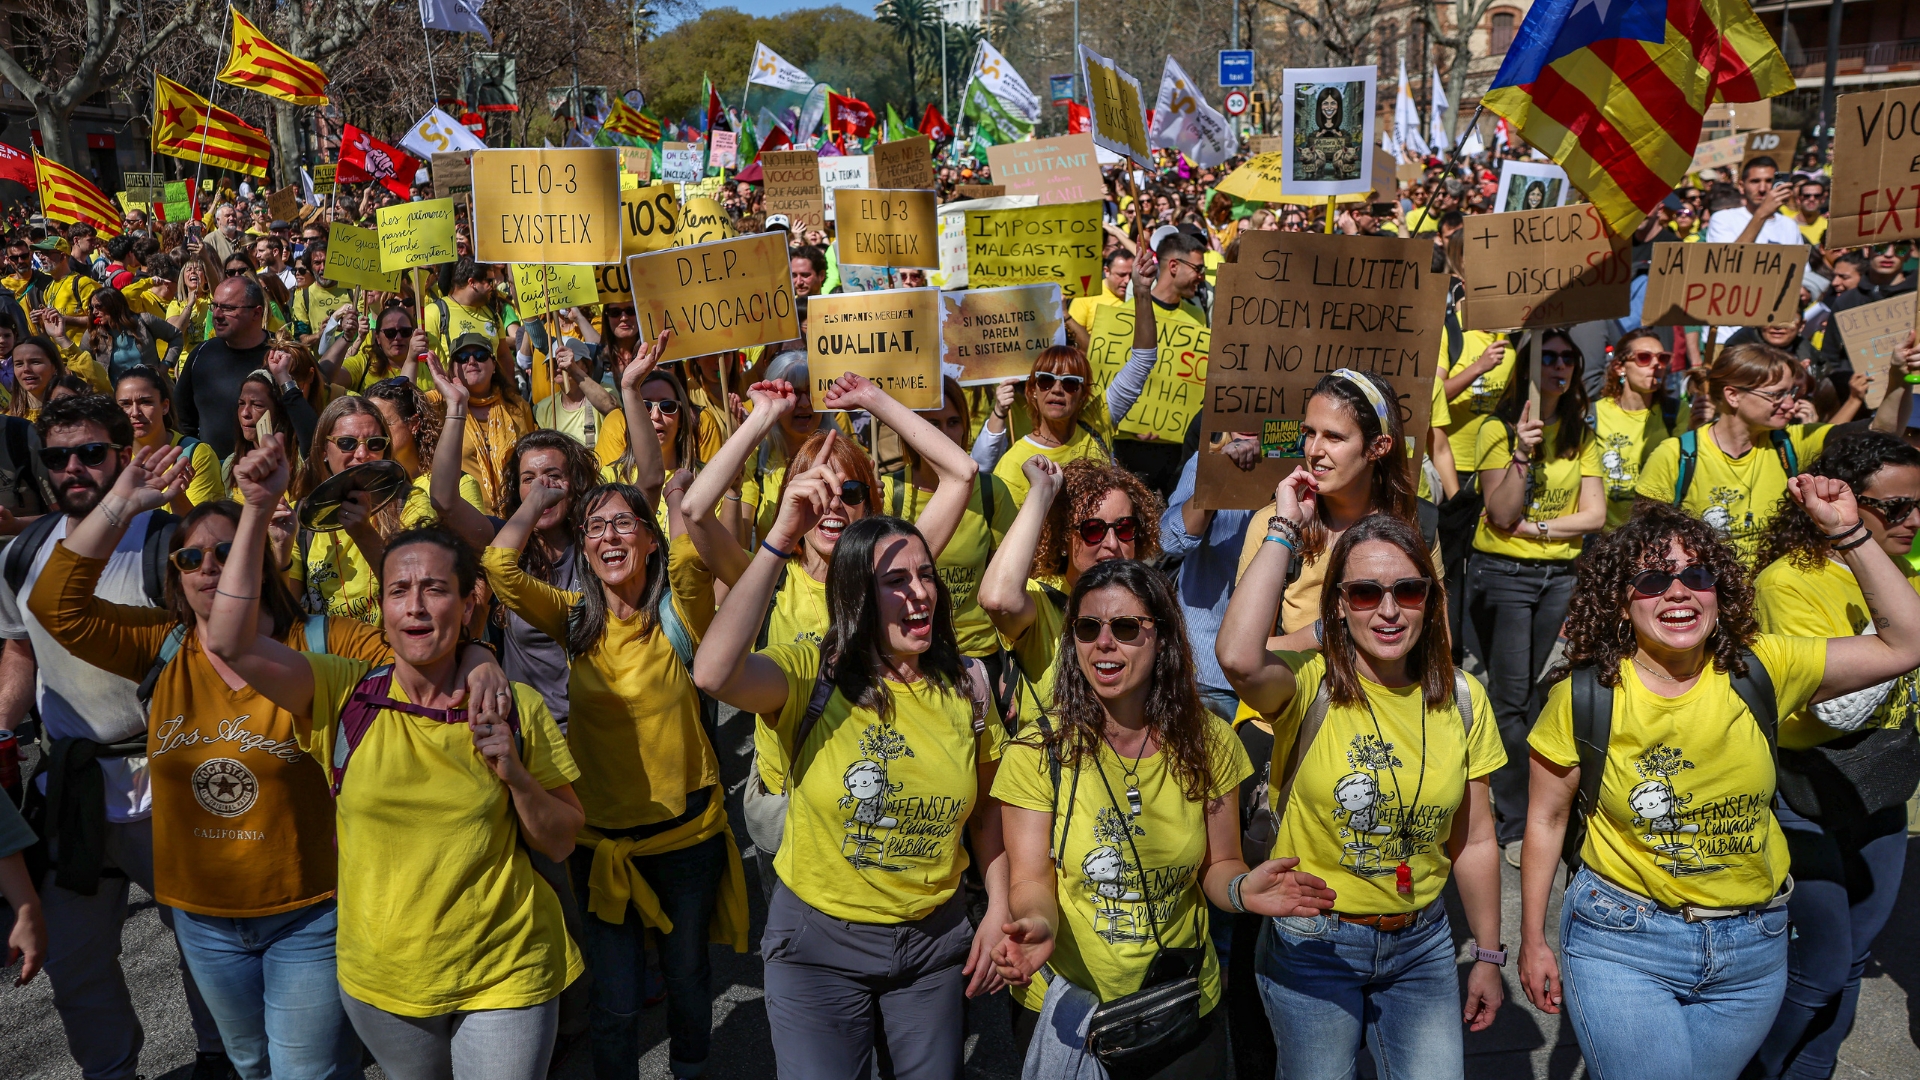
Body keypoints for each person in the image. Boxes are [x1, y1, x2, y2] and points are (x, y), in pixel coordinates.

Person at [29, 441, 513, 1080]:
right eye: (191, 556)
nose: (209, 566)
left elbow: (421, 650)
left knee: (305, 1072)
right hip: (202, 918)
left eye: (228, 551)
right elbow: (53, 604)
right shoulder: (159, 647)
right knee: (250, 1065)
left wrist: (478, 657)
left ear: (257, 562)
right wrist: (122, 500)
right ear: (176, 573)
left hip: (309, 910)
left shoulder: (320, 641)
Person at [207, 443, 586, 1080]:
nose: (415, 605)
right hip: (383, 976)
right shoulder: (340, 692)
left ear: (470, 606)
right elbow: (228, 641)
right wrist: (255, 508)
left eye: (435, 589)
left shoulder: (512, 704)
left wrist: (516, 776)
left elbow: (561, 841)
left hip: (507, 965)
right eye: (399, 591)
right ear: (380, 610)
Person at [1519, 496, 1920, 1080]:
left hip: (1752, 951)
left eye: (1696, 575)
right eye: (1653, 579)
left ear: (1719, 589)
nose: (1677, 591)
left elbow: (1905, 643)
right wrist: (1533, 940)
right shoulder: (1584, 695)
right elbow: (1546, 820)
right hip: (1622, 940)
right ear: (1619, 601)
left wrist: (1852, 534)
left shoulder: (1764, 665)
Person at [691, 472, 1009, 1080]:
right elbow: (713, 672)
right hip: (818, 950)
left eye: (925, 576)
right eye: (896, 581)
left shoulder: (967, 685)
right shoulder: (813, 670)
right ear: (860, 594)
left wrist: (998, 902)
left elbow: (990, 807)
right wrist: (781, 536)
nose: (921, 594)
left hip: (933, 949)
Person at [991, 557, 1334, 1077]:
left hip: (1178, 1000)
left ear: (1162, 638)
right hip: (1076, 1010)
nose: (1104, 642)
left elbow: (1219, 866)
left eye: (1126, 628)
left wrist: (1243, 890)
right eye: (1088, 628)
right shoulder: (1038, 750)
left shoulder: (1208, 738)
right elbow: (1031, 879)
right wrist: (1036, 925)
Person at [483, 451, 746, 1080]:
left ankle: (692, 1066)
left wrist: (694, 484)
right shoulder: (572, 616)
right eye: (596, 528)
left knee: (686, 978)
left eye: (625, 524)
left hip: (685, 840)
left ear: (650, 542)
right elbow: (498, 566)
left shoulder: (680, 613)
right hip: (599, 844)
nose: (610, 537)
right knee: (616, 1001)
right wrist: (538, 500)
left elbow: (693, 547)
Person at [1219, 506, 1507, 1080]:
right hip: (1314, 943)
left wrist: (1489, 955)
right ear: (1337, 605)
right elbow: (1238, 657)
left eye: (1408, 589)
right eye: (1364, 593)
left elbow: (1474, 841)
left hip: (1422, 944)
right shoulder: (1308, 682)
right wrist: (1282, 527)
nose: (1389, 609)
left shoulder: (1464, 698)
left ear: (1431, 597)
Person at [0, 393, 231, 1080]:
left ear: (122, 456)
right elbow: (19, 653)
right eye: (58, 457)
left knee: (204, 942)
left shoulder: (173, 543)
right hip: (71, 784)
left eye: (91, 453)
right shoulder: (20, 557)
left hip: (172, 778)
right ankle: (109, 1072)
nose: (74, 467)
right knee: (74, 959)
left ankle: (220, 1059)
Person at [1748, 432, 1920, 1080]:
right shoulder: (1786, 581)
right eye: (1897, 507)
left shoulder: (1907, 564)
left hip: (1883, 788)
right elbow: (1824, 709)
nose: (1915, 521)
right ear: (1845, 503)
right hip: (1808, 795)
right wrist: (1899, 643)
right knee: (1816, 970)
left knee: (1850, 964)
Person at [1468, 330, 1606, 861]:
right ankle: (1515, 819)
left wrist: (1538, 529)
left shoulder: (1580, 433)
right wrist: (1521, 454)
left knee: (1539, 694)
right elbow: (1500, 515)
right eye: (1547, 356)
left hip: (1560, 576)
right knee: (1509, 698)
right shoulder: (1494, 429)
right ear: (1528, 364)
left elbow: (1594, 515)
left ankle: (1542, 804)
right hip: (1504, 577)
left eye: (1569, 357)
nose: (1560, 365)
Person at [980, 457, 1164, 728]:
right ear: (1064, 538)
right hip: (1055, 764)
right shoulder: (1039, 600)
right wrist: (1041, 492)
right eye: (1093, 530)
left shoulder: (1154, 601)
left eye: (1124, 529)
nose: (1112, 544)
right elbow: (998, 600)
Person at [878, 377, 1019, 719]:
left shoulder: (992, 493)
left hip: (980, 656)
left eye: (953, 422)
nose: (944, 433)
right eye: (932, 424)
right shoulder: (887, 492)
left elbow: (1017, 585)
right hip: (911, 656)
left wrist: (1016, 670)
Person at [1634, 343, 1839, 567]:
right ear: (1733, 395)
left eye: (1790, 392)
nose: (1790, 404)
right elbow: (1645, 542)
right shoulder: (1675, 455)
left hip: (1776, 592)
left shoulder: (1790, 442)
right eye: (1777, 394)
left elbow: (1874, 428)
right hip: (1708, 594)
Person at [175, 275, 288, 460]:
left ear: (256, 313)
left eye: (228, 308)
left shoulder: (283, 356)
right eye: (215, 306)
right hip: (211, 476)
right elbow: (182, 418)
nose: (217, 315)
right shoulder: (202, 354)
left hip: (271, 473)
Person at [987, 346, 1114, 507]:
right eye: (1046, 381)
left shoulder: (1097, 427)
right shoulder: (1013, 463)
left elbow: (1142, 361)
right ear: (1033, 390)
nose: (1057, 389)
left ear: (1083, 395)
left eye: (1070, 383)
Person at [429, 331, 535, 510]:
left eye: (480, 355)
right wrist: (411, 359)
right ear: (452, 367)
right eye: (462, 357)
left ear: (494, 365)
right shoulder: (438, 406)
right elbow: (401, 405)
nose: (471, 361)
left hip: (515, 516)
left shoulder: (518, 407)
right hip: (465, 518)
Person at [1593, 330, 1675, 529]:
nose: (1656, 364)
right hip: (1599, 535)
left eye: (1662, 358)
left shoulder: (1676, 414)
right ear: (1620, 367)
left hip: (1652, 533)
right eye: (1644, 358)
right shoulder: (1592, 413)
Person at [115, 366, 224, 511]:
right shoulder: (111, 457)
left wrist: (176, 495)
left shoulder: (194, 455)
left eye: (145, 402)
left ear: (165, 406)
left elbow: (203, 528)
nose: (135, 412)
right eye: (125, 404)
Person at [83, 288, 180, 384]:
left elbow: (176, 336)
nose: (94, 312)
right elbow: (81, 360)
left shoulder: (143, 321)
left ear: (114, 305)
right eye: (92, 308)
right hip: (115, 395)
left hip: (152, 388)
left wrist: (165, 365)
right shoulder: (93, 333)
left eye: (98, 306)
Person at [5, 335, 67, 421]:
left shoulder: (71, 413)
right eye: (19, 364)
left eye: (35, 362)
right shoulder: (7, 420)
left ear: (54, 367)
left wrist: (61, 338)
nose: (26, 369)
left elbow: (91, 377)